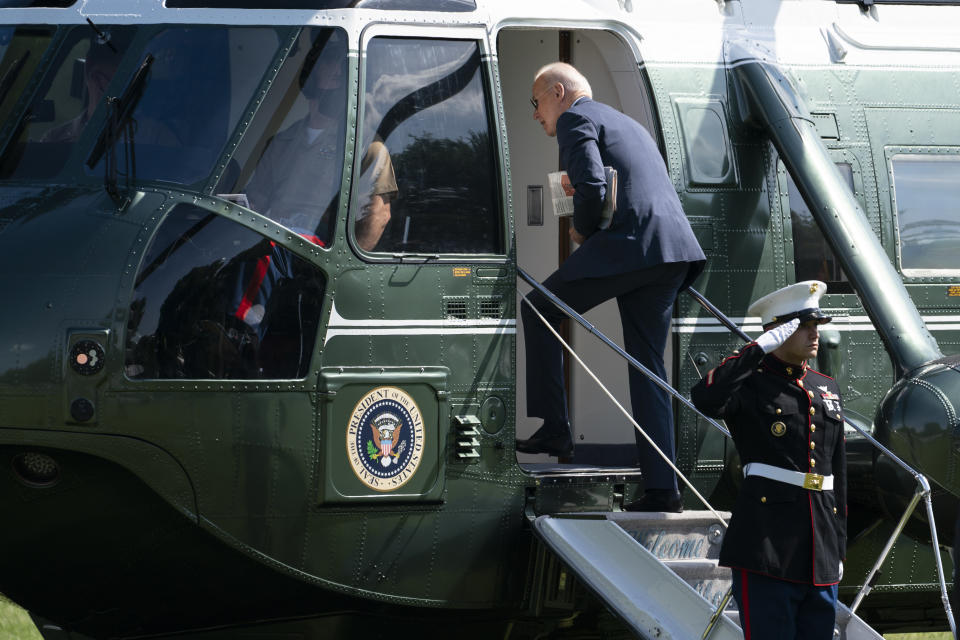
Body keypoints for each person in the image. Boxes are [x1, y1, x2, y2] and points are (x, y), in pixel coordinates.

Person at [517, 62, 705, 513]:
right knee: (647, 368)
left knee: (538, 308)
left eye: (535, 103)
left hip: (631, 248)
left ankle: (556, 425)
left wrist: (581, 233)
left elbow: (593, 186)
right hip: (670, 253)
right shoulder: (627, 124)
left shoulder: (575, 118)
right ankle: (663, 490)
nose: (535, 115)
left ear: (558, 92)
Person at [690, 281, 847, 639]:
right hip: (767, 545)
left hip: (819, 547)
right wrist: (755, 351)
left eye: (816, 326)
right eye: (803, 326)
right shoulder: (750, 382)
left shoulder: (826, 387)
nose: (814, 334)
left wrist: (837, 545)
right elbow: (706, 399)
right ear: (778, 330)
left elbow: (836, 473)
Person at [245, 32, 397, 251]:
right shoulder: (281, 142)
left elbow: (377, 215)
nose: (338, 71)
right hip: (272, 244)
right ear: (313, 72)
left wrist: (339, 274)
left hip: (317, 252)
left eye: (343, 67)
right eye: (330, 62)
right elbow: (257, 200)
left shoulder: (364, 144)